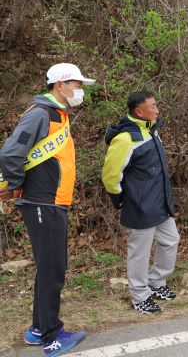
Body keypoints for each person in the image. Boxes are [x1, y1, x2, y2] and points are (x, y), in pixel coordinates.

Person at [0, 63, 94, 356]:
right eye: (77, 85)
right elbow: (11, 153)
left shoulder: (58, 115)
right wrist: (15, 183)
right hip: (43, 202)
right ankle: (52, 338)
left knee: (51, 268)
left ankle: (38, 329)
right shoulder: (41, 114)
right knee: (53, 270)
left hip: (53, 202)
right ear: (60, 85)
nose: (80, 91)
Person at [102, 91, 180, 313]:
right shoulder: (126, 138)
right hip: (140, 205)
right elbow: (110, 175)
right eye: (153, 106)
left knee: (171, 240)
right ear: (139, 111)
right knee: (140, 252)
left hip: (161, 203)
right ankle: (139, 296)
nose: (157, 109)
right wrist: (120, 200)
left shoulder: (151, 131)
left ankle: (156, 282)